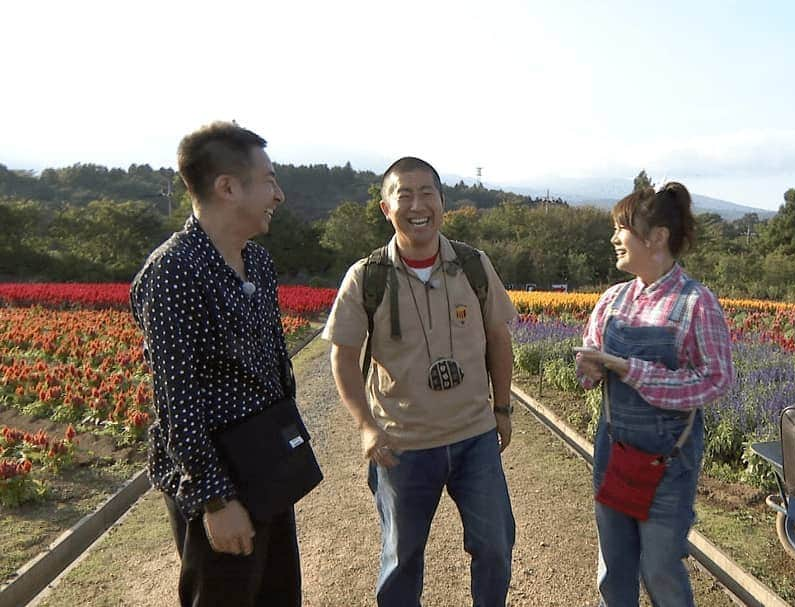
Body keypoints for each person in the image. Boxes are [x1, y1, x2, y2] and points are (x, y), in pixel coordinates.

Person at [324, 156, 518, 607]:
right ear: (385, 208)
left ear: (442, 203)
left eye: (427, 193)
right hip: (402, 444)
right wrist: (366, 426)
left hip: (474, 437)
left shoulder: (473, 265)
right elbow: (343, 356)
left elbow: (498, 338)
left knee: (495, 547)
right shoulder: (366, 276)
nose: (417, 204)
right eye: (404, 194)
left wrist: (503, 408)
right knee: (401, 558)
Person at [130, 121, 301, 606]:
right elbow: (177, 402)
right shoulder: (172, 273)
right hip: (219, 477)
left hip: (267, 465)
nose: (279, 194)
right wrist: (216, 500)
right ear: (227, 187)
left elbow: (272, 368)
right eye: (269, 180)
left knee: (279, 595)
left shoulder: (258, 263)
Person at [576, 182, 734, 607]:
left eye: (621, 228)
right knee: (614, 569)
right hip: (614, 451)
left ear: (657, 237)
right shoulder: (611, 300)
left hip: (668, 462)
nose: (614, 239)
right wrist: (590, 369)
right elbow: (589, 370)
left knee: (660, 569)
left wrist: (633, 370)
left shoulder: (696, 303)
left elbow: (717, 380)